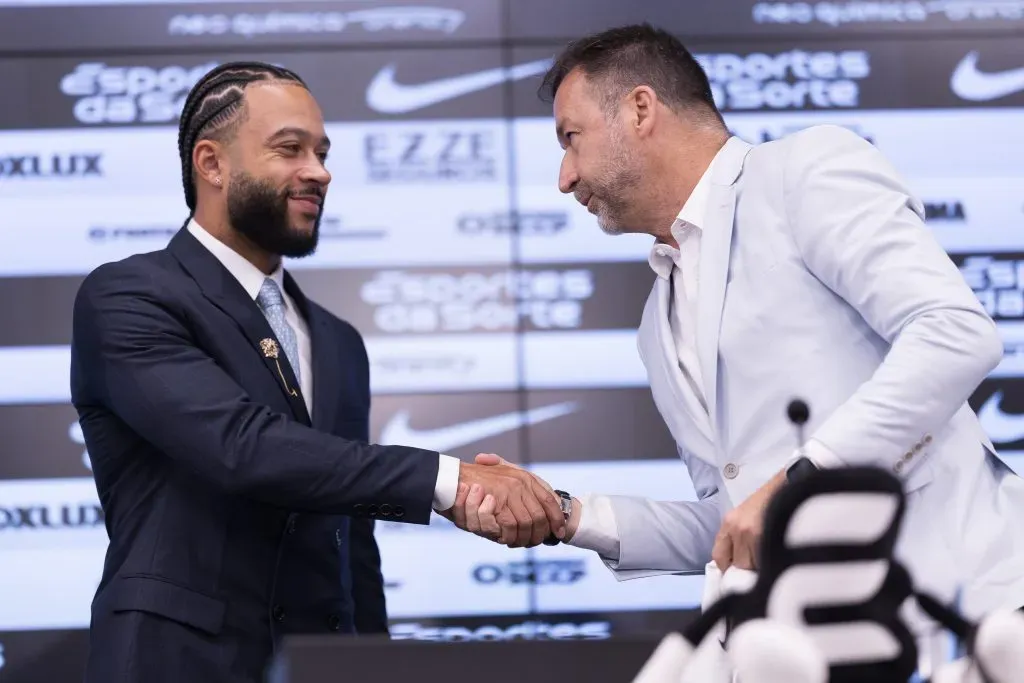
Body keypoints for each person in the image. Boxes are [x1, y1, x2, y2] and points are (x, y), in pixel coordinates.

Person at [462, 24, 1024, 623]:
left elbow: (954, 332)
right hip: (828, 639)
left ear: (641, 109)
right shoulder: (658, 321)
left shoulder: (802, 169)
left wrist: (797, 482)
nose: (565, 177)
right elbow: (733, 516)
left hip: (973, 608)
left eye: (571, 138)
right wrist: (568, 515)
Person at [69, 61, 565, 683]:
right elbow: (240, 447)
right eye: (290, 149)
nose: (318, 172)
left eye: (323, 152)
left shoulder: (338, 340)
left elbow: (351, 538)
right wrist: (446, 479)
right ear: (211, 163)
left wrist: (374, 662)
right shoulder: (129, 296)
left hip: (316, 665)